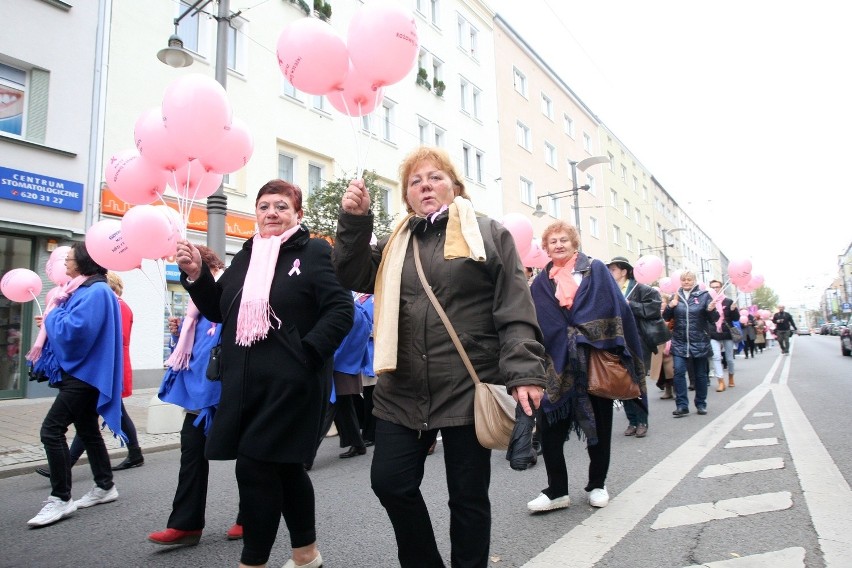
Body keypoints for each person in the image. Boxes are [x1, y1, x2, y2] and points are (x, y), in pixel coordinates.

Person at [333, 146, 547, 568]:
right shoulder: (397, 239)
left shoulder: (487, 233)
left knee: (467, 497)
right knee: (390, 483)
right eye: (415, 181)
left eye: (434, 177)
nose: (425, 185)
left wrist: (525, 372)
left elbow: (515, 309)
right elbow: (352, 274)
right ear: (407, 196)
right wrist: (355, 223)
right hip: (402, 387)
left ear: (455, 186)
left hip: (468, 384)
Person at [175, 179, 353, 568]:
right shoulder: (247, 255)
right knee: (285, 469)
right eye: (265, 206)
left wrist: (305, 353)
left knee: (253, 467)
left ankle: (251, 561)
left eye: (281, 206)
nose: (272, 213)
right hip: (245, 385)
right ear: (256, 213)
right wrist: (196, 276)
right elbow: (221, 311)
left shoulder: (316, 252)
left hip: (293, 383)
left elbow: (341, 310)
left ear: (297, 214)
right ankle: (306, 555)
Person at [527, 222, 645, 513]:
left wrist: (588, 336)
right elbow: (538, 321)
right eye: (552, 241)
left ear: (574, 242)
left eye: (563, 239)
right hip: (558, 366)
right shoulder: (542, 281)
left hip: (595, 363)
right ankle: (557, 491)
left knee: (600, 430)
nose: (558, 245)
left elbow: (616, 309)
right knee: (550, 431)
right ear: (546, 247)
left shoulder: (596, 270)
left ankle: (597, 485)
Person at [148, 245, 243, 546]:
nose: (187, 268)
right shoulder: (194, 301)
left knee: (248, 456)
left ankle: (251, 516)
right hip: (198, 391)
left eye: (191, 264)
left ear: (206, 264)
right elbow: (194, 344)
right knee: (191, 452)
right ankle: (186, 524)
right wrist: (179, 332)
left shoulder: (225, 287)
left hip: (226, 388)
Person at [26, 241, 124, 527]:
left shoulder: (96, 291)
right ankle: (105, 486)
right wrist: (53, 318)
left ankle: (60, 499)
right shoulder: (84, 290)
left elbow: (77, 332)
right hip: (84, 374)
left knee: (51, 430)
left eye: (68, 259)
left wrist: (53, 316)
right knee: (87, 430)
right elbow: (70, 325)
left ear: (82, 262)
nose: (64, 263)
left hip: (85, 376)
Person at [33, 271, 143, 477]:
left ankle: (70, 465)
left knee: (91, 418)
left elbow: (105, 337)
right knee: (97, 416)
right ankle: (128, 459)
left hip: (106, 367)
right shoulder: (111, 304)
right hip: (101, 367)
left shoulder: (117, 306)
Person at [606, 256, 668, 439]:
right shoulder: (610, 290)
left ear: (624, 271)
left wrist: (630, 305)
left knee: (638, 382)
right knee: (623, 383)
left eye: (613, 270)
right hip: (617, 342)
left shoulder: (641, 289)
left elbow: (654, 309)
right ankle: (632, 421)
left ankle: (642, 421)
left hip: (638, 341)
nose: (610, 273)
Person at [663, 271, 718, 417]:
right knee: (679, 372)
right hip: (680, 341)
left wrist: (712, 310)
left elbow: (713, 319)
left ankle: (701, 404)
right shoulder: (675, 296)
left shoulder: (704, 296)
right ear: (680, 281)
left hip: (699, 340)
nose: (686, 282)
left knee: (700, 375)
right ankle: (682, 406)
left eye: (689, 280)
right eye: (684, 280)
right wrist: (671, 306)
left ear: (694, 281)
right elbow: (666, 317)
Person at [707, 279, 740, 391]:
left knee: (729, 358)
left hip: (727, 332)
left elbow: (736, 318)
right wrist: (709, 309)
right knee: (716, 357)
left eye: (717, 287)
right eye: (713, 287)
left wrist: (733, 310)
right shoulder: (708, 301)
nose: (715, 289)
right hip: (713, 333)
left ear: (721, 288)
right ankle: (720, 381)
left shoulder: (728, 301)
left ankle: (731, 377)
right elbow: (705, 317)